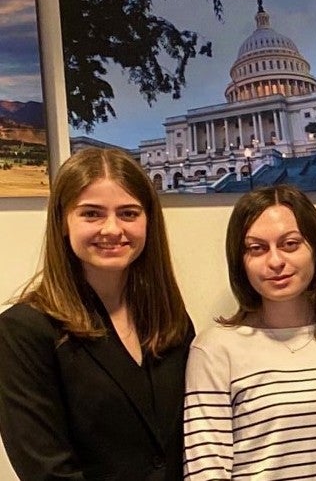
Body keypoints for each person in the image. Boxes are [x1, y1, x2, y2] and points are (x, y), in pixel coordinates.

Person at [0, 147, 195, 480]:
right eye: (91, 214)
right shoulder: (23, 330)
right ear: (63, 221)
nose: (112, 229)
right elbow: (47, 471)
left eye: (129, 214)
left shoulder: (171, 319)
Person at [181, 185, 316, 480]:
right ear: (240, 262)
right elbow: (206, 470)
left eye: (290, 244)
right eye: (257, 248)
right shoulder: (215, 349)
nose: (275, 261)